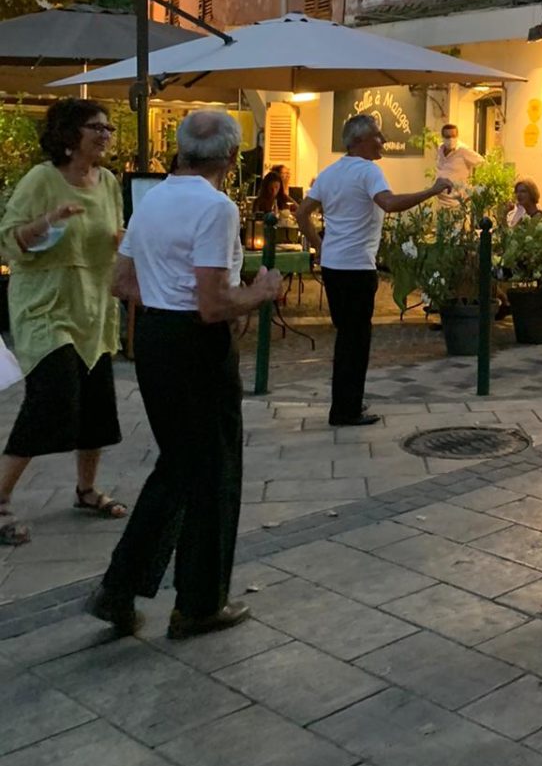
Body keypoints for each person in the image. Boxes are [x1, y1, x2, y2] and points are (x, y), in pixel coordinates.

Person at [87, 111, 282, 638]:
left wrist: (164, 296)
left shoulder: (153, 200)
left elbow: (120, 281)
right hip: (195, 346)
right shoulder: (216, 208)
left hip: (155, 337)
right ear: (232, 157)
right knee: (213, 470)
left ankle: (121, 588)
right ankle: (197, 602)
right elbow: (212, 304)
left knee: (179, 464)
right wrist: (262, 292)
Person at [0, 100, 127, 546]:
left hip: (93, 305)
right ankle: (0, 498)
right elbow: (8, 239)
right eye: (96, 127)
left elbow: (113, 235)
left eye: (108, 128)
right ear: (70, 134)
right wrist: (48, 221)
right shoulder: (42, 179)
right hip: (46, 304)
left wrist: (126, 241)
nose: (106, 134)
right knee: (52, 398)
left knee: (96, 401)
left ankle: (86, 491)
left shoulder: (109, 182)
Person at [297, 115, 451, 427]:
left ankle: (346, 402)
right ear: (359, 141)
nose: (383, 142)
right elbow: (389, 204)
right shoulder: (368, 171)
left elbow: (302, 213)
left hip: (333, 266)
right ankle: (346, 410)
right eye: (378, 136)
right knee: (356, 341)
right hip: (356, 267)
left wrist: (319, 245)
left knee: (346, 337)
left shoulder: (329, 172)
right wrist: (432, 190)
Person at [435, 124, 483, 191]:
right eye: (447, 137)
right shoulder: (440, 148)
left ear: (457, 136)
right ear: (442, 137)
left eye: (453, 136)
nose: (451, 139)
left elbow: (482, 163)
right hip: (440, 195)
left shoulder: (463, 150)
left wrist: (477, 187)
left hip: (456, 195)